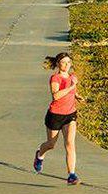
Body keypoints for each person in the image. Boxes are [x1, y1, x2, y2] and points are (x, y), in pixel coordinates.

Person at [33, 52, 83, 185]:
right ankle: (39, 155)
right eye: (63, 62)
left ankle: (71, 175)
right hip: (55, 115)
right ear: (58, 64)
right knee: (51, 144)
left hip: (70, 115)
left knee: (70, 144)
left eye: (68, 62)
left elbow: (73, 91)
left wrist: (77, 95)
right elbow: (56, 96)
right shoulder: (55, 78)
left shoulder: (72, 77)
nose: (66, 65)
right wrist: (72, 86)